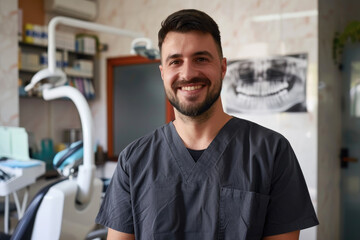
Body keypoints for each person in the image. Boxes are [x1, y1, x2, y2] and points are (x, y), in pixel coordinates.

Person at [96, 9, 319, 240]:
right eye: (175, 61)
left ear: (223, 67)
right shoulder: (133, 161)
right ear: (162, 73)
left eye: (201, 59)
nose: (188, 73)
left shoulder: (272, 152)